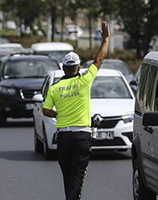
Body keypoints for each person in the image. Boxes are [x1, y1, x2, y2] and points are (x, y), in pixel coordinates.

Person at [43, 21, 110, 200]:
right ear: (78, 67)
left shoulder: (55, 88)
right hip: (82, 137)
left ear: (63, 68)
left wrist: (59, 114)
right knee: (77, 177)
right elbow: (99, 60)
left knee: (68, 177)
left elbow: (46, 110)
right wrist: (106, 39)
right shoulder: (84, 81)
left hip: (64, 137)